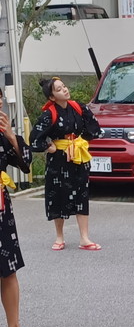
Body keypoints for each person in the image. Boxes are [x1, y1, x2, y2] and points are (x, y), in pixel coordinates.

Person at [30, 77, 101, 251]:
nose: (65, 90)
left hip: (78, 157)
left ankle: (84, 237)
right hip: (58, 160)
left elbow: (94, 127)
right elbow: (34, 139)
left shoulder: (79, 108)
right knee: (58, 195)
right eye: (59, 89)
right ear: (52, 97)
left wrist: (81, 141)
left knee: (81, 195)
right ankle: (59, 236)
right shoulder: (49, 114)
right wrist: (49, 146)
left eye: (64, 87)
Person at [0, 88, 44, 327]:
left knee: (8, 268)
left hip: (2, 207)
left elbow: (26, 164)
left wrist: (11, 137)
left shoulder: (4, 132)